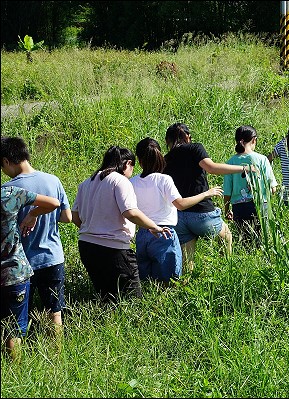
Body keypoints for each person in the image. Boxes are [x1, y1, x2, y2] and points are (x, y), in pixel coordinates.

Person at [71, 146, 171, 303]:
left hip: (87, 247)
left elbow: (75, 216)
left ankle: (105, 324)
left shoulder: (86, 183)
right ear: (127, 163)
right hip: (113, 249)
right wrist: (153, 226)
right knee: (132, 299)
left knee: (106, 297)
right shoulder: (120, 181)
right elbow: (130, 212)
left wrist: (92, 228)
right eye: (133, 167)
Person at [1, 136, 72, 337]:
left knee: (20, 316)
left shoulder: (8, 190)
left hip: (22, 263)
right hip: (52, 256)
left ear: (6, 161)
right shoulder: (53, 180)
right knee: (55, 312)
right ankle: (57, 356)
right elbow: (66, 217)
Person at [131, 138, 224, 283]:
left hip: (143, 234)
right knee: (170, 282)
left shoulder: (132, 182)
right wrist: (206, 193)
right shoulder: (164, 179)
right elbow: (180, 204)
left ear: (139, 159)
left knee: (146, 280)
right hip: (164, 234)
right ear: (159, 156)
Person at [163, 122, 253, 268]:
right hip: (201, 213)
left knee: (187, 261)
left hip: (178, 217)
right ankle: (226, 270)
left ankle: (186, 285)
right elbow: (212, 168)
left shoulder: (166, 159)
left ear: (168, 140)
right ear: (187, 136)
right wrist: (245, 168)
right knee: (226, 237)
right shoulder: (194, 148)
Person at [1, 185, 60, 360]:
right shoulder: (10, 194)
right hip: (13, 273)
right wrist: (33, 214)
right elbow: (54, 203)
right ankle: (15, 373)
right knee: (13, 329)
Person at [223, 125, 277, 242]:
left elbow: (227, 191)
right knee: (262, 240)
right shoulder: (262, 159)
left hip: (239, 207)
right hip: (261, 205)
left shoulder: (230, 162)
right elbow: (272, 188)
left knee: (245, 241)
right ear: (254, 140)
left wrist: (226, 210)